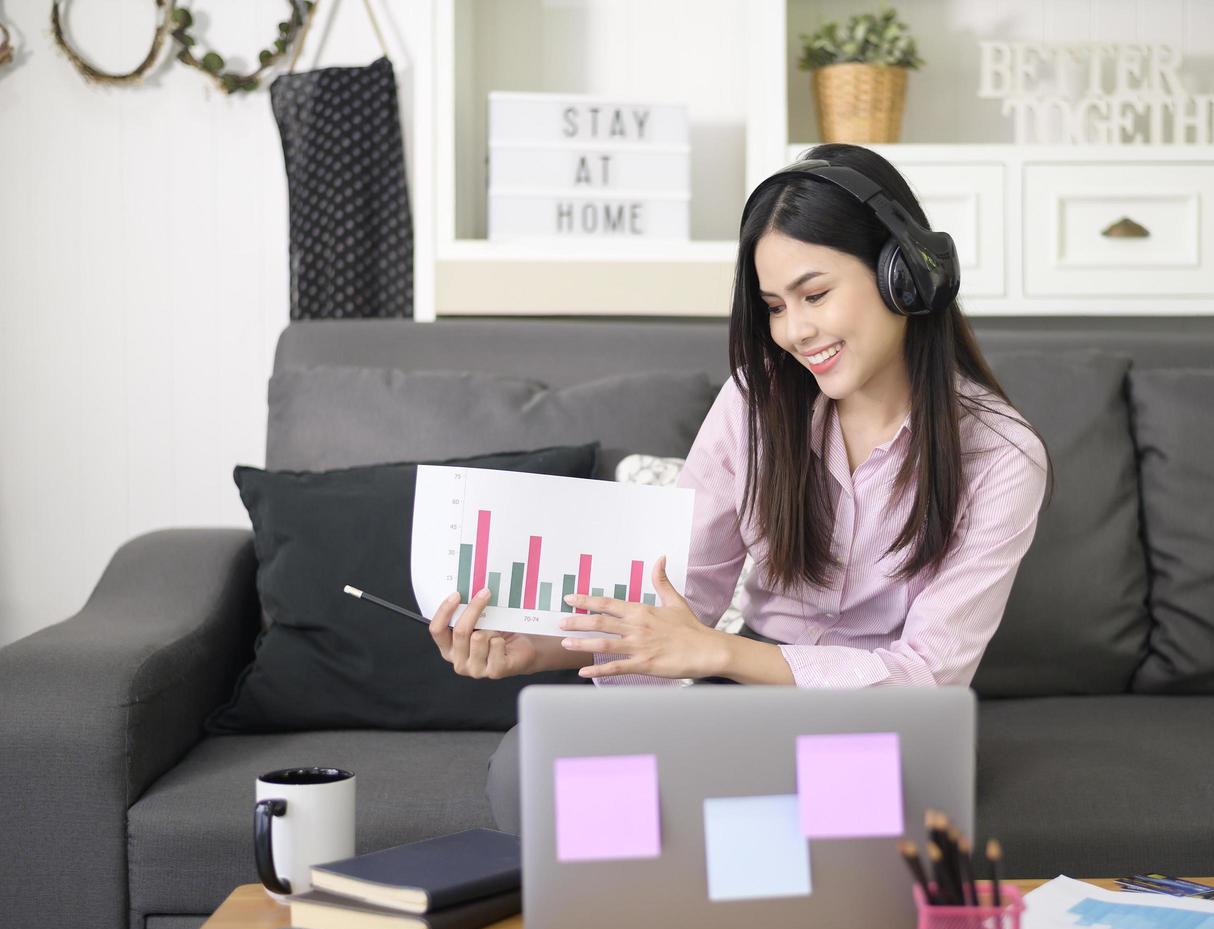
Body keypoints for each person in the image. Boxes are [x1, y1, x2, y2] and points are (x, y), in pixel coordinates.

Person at [428, 143, 1051, 834]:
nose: (794, 332)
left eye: (814, 295)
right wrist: (535, 648)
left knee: (812, 813)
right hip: (746, 697)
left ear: (903, 274)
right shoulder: (756, 402)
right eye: (775, 307)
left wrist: (724, 653)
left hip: (890, 727)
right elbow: (680, 594)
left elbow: (928, 677)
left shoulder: (1000, 454)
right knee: (534, 771)